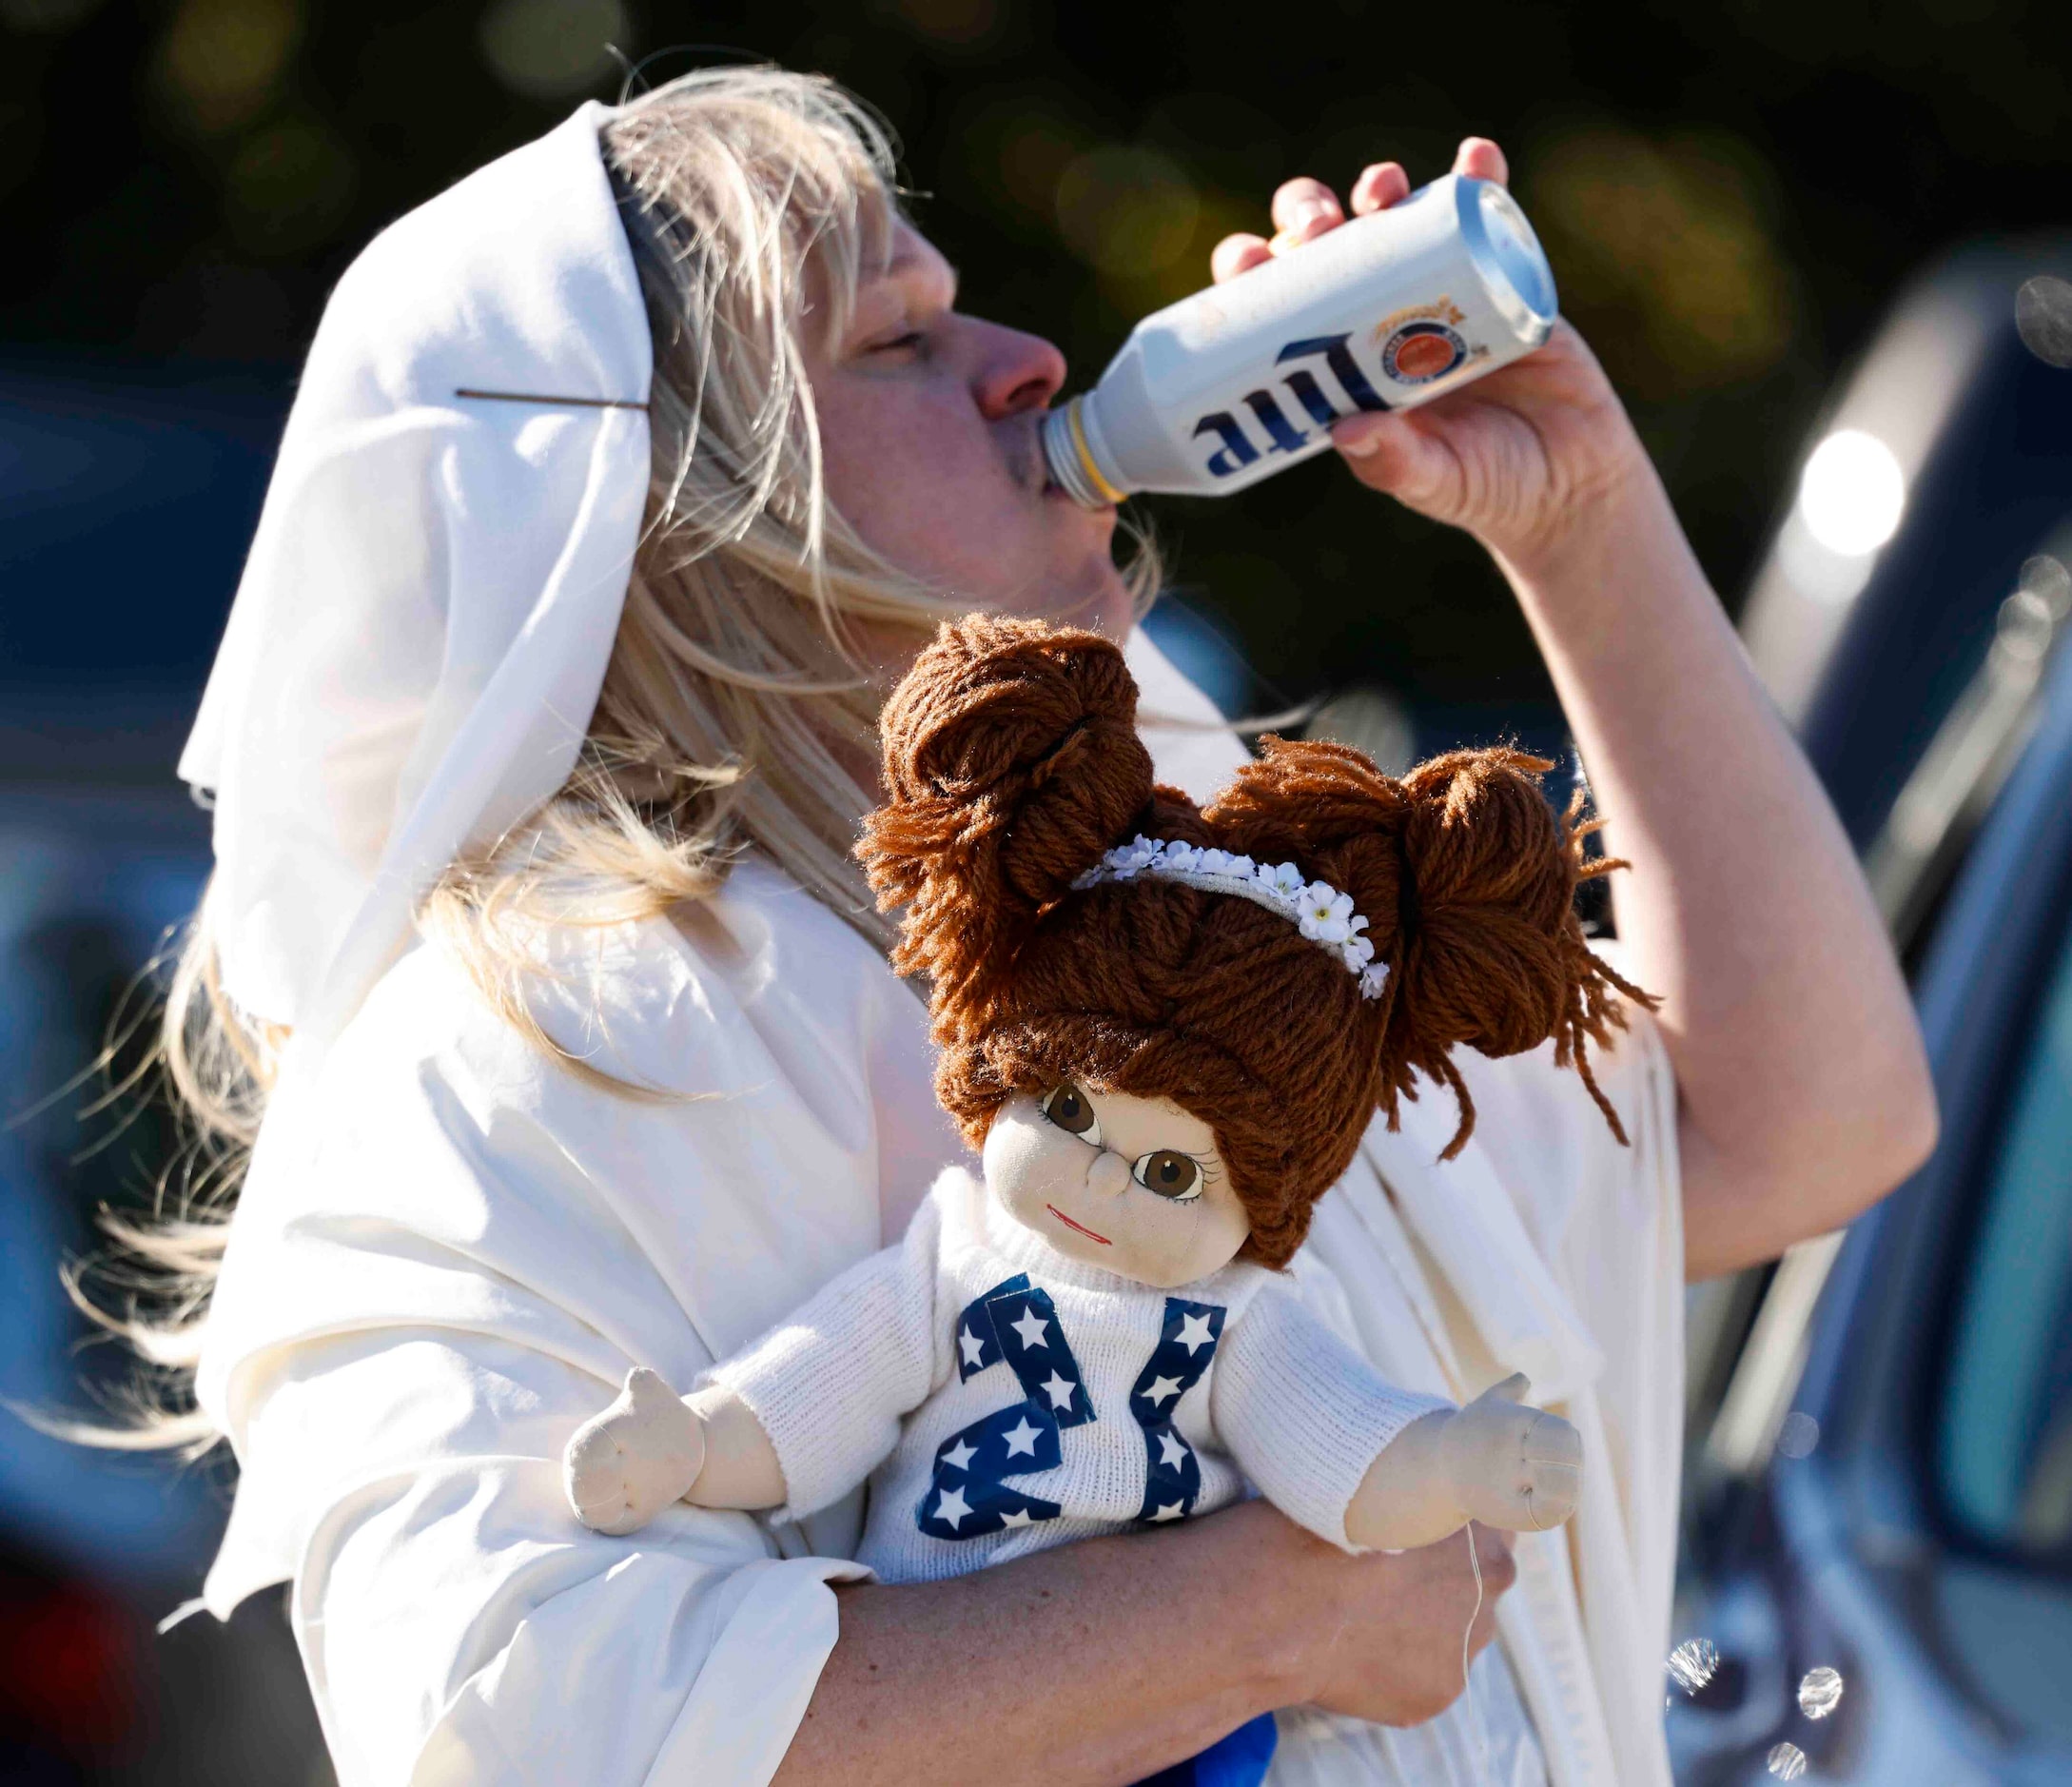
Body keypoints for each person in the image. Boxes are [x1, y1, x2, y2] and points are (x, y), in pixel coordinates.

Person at [102, 65, 1934, 1787]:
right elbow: (512, 1717)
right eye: (897, 339)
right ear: (656, 516)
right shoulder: (513, 1058)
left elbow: (1794, 1128)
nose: (1031, 360)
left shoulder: (1189, 885)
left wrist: (1583, 516)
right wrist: (1259, 1610)